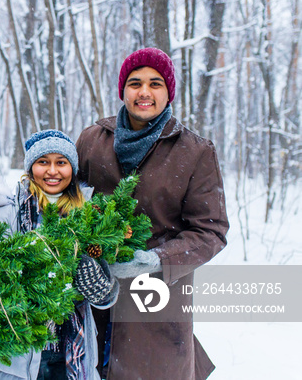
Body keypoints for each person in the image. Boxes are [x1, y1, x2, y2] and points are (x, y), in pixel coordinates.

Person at [75, 48, 229, 379]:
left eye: (155, 83)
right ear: (123, 90)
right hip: (95, 294)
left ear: (168, 92)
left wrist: (158, 258)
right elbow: (66, 205)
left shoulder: (195, 152)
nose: (144, 92)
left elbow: (211, 231)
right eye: (135, 83)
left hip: (157, 302)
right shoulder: (92, 141)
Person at [0, 130, 119, 380]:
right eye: (43, 162)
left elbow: (103, 296)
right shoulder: (5, 215)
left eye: (61, 163)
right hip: (14, 359)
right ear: (31, 168)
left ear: (72, 169)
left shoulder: (86, 217)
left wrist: (101, 288)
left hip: (71, 354)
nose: (52, 171)